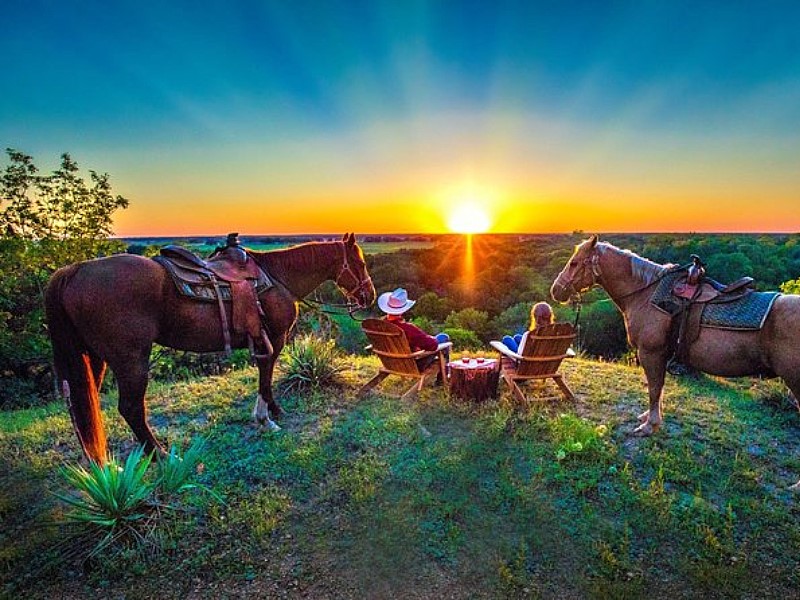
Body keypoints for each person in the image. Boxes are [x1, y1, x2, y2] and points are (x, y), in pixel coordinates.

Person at [377, 288, 450, 369]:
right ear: (403, 310)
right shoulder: (408, 329)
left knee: (430, 340)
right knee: (444, 337)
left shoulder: (380, 326)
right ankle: (444, 376)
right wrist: (431, 339)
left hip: (390, 362)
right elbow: (433, 346)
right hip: (411, 364)